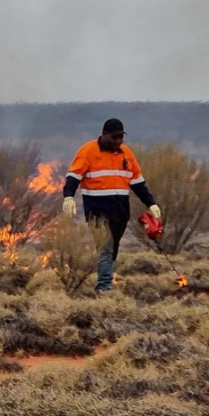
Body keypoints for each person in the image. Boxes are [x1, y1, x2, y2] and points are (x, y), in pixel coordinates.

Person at [63, 117, 160, 293]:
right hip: (97, 211)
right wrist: (68, 196)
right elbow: (74, 176)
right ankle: (104, 288)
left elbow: (138, 183)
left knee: (112, 249)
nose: (118, 141)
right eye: (114, 137)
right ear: (104, 134)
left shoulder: (126, 153)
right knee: (105, 248)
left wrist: (151, 203)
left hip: (120, 212)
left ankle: (105, 279)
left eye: (121, 137)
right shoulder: (88, 151)